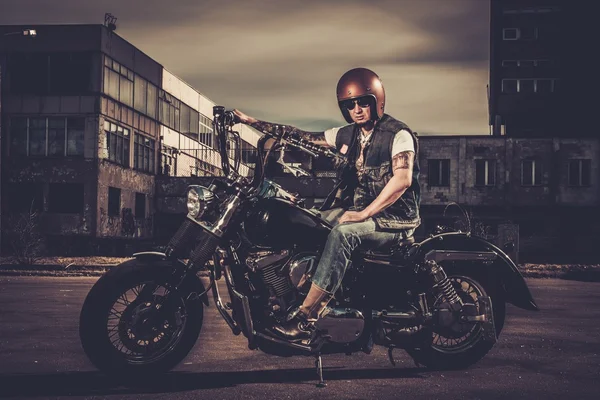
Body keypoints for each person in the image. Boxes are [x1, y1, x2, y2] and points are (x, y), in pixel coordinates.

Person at [234, 67, 421, 341]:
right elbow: (299, 135)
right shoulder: (348, 135)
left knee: (342, 235)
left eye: (363, 102)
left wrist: (364, 214)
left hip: (393, 221)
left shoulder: (398, 134)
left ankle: (307, 316)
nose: (357, 109)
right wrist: (250, 121)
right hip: (360, 213)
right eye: (350, 105)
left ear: (376, 101)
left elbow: (402, 180)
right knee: (309, 221)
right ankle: (297, 291)